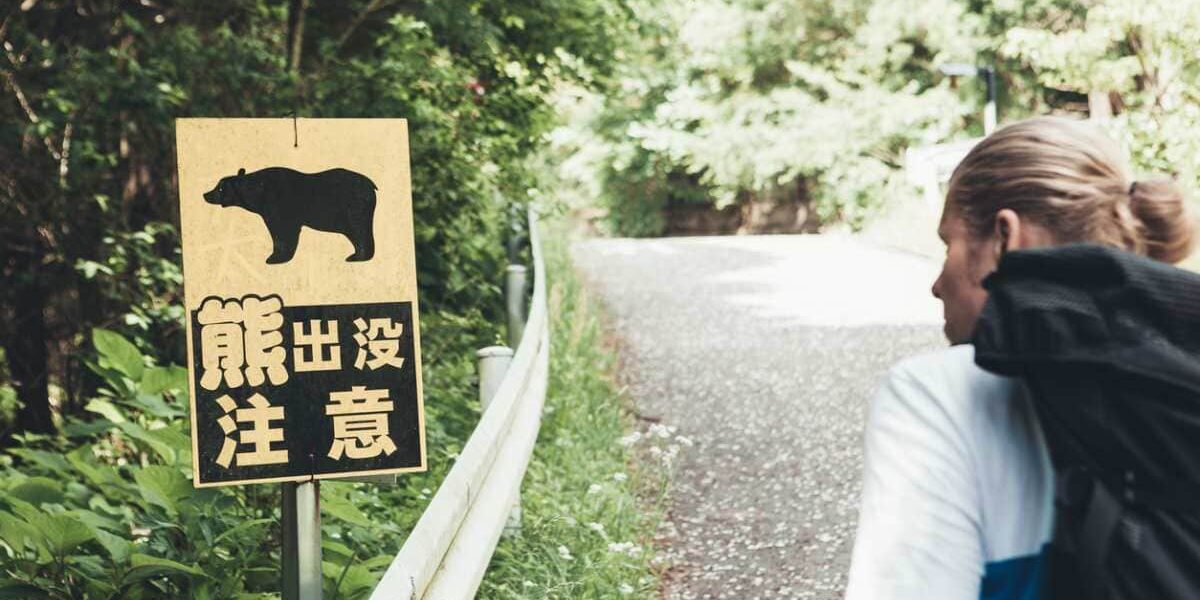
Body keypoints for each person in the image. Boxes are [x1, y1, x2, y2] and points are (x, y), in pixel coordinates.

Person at [844, 116, 1195, 600]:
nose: (936, 283)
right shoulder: (1182, 381)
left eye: (949, 244)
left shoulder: (938, 395)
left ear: (1005, 240)